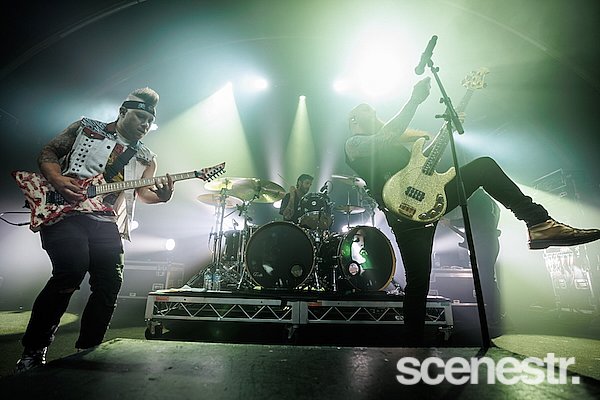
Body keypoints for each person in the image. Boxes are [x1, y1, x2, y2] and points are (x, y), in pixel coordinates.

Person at [344, 77, 600, 344]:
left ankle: (538, 223)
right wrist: (414, 100)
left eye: (374, 111)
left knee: (484, 167)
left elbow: (420, 166)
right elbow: (385, 136)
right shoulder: (353, 145)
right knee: (419, 282)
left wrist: (446, 131)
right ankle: (413, 345)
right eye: (367, 111)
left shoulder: (393, 144)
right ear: (353, 120)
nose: (374, 113)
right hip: (403, 215)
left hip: (427, 202)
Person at [16, 87, 175, 372]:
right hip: (65, 210)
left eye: (150, 121)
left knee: (110, 282)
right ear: (123, 112)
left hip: (105, 218)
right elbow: (49, 152)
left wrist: (162, 197)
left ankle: (89, 351)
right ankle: (33, 351)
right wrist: (57, 179)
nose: (145, 124)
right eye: (140, 117)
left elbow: (143, 194)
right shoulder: (85, 127)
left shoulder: (146, 157)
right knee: (71, 271)